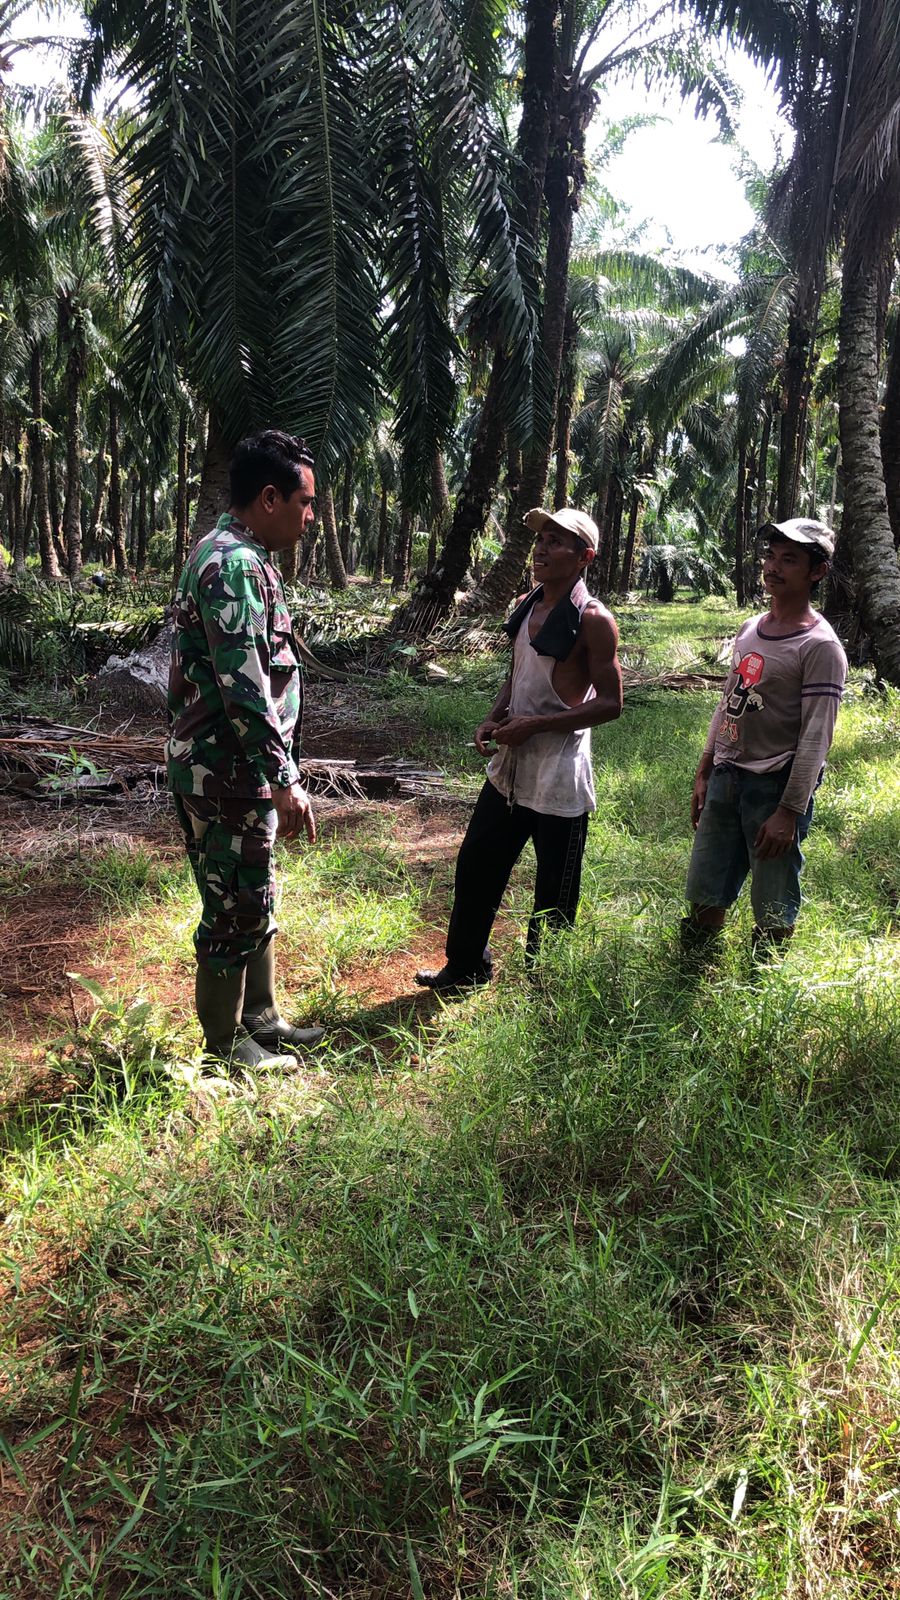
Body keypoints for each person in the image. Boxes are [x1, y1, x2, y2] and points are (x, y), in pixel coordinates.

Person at [415, 506, 623, 993]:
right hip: (510, 768)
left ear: (584, 556)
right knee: (476, 865)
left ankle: (544, 989)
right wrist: (496, 715)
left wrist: (537, 725)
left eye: (557, 541)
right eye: (540, 539)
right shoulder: (529, 603)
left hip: (559, 779)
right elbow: (517, 675)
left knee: (555, 890)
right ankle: (465, 968)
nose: (542, 549)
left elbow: (611, 704)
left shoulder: (594, 620)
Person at [167, 429, 323, 1067]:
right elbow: (245, 690)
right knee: (233, 904)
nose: (310, 517)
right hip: (227, 772)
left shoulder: (248, 557)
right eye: (305, 502)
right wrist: (284, 778)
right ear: (269, 497)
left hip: (240, 770)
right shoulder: (232, 565)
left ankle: (260, 1018)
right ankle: (227, 1044)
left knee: (254, 890)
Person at [683, 517, 848, 956]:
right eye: (770, 556)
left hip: (774, 786)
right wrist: (706, 768)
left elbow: (816, 737)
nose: (773, 567)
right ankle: (696, 966)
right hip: (727, 774)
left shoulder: (820, 647)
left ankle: (764, 985)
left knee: (773, 901)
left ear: (817, 572)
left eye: (789, 559)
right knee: (705, 887)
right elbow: (729, 699)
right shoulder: (751, 628)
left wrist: (789, 812)